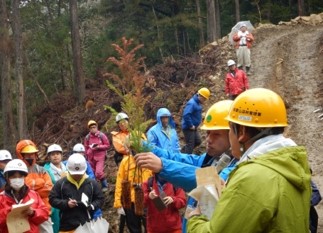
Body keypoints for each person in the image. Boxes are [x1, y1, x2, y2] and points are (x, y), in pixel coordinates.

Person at [187, 88, 312, 232]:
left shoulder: (251, 177)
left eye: (230, 130)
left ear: (242, 132)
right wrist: (231, 195)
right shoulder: (290, 164)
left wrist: (196, 217)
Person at [135, 100, 234, 232]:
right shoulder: (211, 159)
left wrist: (163, 166)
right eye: (208, 133)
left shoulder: (236, 169)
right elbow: (180, 159)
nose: (208, 140)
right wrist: (148, 147)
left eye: (216, 134)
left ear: (234, 134)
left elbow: (209, 181)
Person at [49, 153, 105, 232]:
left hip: (86, 225)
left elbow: (100, 199)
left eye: (79, 174)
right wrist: (66, 204)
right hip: (66, 226)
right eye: (75, 174)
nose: (77, 176)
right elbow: (52, 199)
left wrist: (92, 206)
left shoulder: (92, 183)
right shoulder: (61, 183)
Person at [0, 159, 50, 233]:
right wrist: (9, 212)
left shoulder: (34, 194)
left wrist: (33, 213)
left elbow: (45, 214)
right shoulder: (1, 197)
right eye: (13, 177)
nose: (17, 179)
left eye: (20, 176)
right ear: (7, 178)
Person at [16, 139, 54, 233]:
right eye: (28, 154)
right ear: (22, 155)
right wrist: (41, 183)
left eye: (32, 154)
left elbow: (49, 189)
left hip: (43, 212)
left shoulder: (42, 170)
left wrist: (32, 188)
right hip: (26, 214)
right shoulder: (18, 171)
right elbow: (22, 189)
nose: (31, 156)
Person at [114, 152, 153, 233]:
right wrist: (118, 202)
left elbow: (156, 180)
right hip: (129, 200)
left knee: (149, 227)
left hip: (147, 199)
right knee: (133, 228)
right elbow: (119, 182)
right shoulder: (125, 162)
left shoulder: (149, 160)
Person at [111, 112, 130, 233]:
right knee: (124, 189)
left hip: (136, 163)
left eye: (125, 121)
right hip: (124, 164)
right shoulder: (116, 136)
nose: (123, 124)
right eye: (120, 123)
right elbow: (120, 148)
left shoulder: (137, 132)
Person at [43, 144, 67, 233]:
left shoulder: (67, 167)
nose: (55, 156)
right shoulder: (45, 170)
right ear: (49, 157)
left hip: (68, 199)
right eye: (53, 154)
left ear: (61, 155)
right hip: (54, 201)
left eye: (57, 153)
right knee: (56, 225)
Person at [181, 87, 210, 154]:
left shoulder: (198, 103)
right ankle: (186, 159)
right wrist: (190, 125)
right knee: (190, 145)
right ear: (201, 96)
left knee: (198, 141)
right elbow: (186, 115)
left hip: (194, 127)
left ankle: (182, 152)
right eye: (204, 99)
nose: (205, 100)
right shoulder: (192, 103)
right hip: (188, 128)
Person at [84, 120, 110, 192]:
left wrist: (98, 147)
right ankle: (95, 189)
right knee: (92, 174)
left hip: (100, 156)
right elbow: (86, 147)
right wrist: (87, 155)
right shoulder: (87, 137)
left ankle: (105, 185)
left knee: (98, 173)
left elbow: (107, 145)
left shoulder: (101, 135)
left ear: (97, 127)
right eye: (91, 128)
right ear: (89, 129)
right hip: (90, 157)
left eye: (94, 127)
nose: (93, 129)